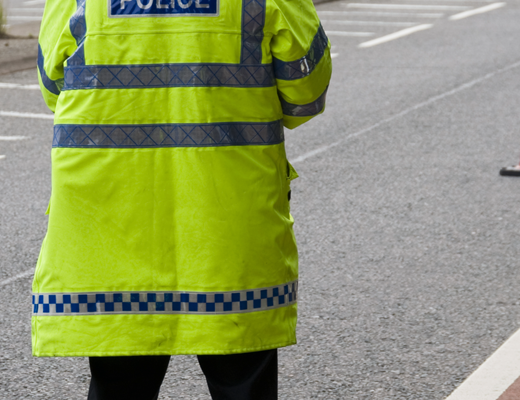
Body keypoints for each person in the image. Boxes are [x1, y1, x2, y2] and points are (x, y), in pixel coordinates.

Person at [33, 0, 331, 396]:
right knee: (242, 379)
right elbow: (305, 95)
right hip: (225, 235)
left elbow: (53, 88)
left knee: (119, 385)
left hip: (111, 235)